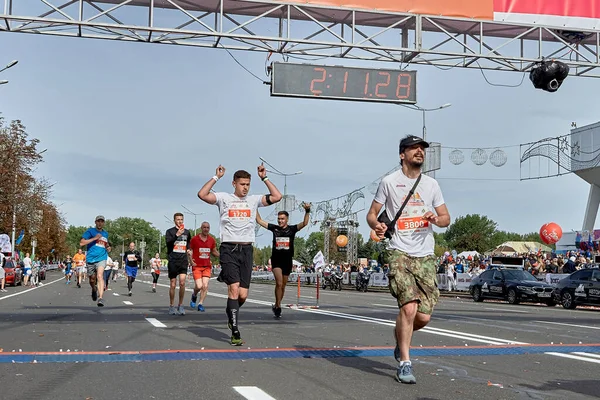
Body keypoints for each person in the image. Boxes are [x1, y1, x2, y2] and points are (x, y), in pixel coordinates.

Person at [366, 135, 450, 385]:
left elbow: (446, 218)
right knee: (408, 308)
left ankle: (400, 339)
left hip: (425, 254)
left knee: (422, 317)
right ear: (402, 154)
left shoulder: (432, 185)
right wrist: (378, 224)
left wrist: (436, 218)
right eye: (414, 148)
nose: (419, 152)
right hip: (398, 250)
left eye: (422, 149)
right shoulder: (389, 182)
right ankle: (405, 362)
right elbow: (371, 214)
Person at [198, 164, 282, 346]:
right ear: (234, 183)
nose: (245, 187)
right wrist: (216, 177)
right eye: (242, 184)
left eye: (248, 184)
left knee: (242, 295)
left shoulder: (253, 200)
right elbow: (202, 194)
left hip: (246, 250)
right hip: (229, 249)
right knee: (234, 289)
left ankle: (231, 312)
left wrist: (264, 178)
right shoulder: (224, 198)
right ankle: (235, 330)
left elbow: (277, 196)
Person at [256, 202, 311, 318]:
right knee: (279, 283)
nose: (280, 221)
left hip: (287, 261)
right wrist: (253, 207)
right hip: (276, 260)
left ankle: (277, 304)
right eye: (279, 219)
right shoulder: (274, 228)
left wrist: (307, 211)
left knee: (283, 285)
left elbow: (305, 223)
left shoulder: (292, 230)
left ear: (287, 219)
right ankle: (278, 306)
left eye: (282, 219)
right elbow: (259, 221)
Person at [80, 215, 111, 307]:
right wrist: (94, 238)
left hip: (102, 258)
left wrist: (108, 247)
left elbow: (105, 243)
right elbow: (81, 243)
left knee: (100, 275)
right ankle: (94, 289)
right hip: (90, 258)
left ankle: (100, 298)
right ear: (95, 222)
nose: (100, 223)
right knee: (92, 279)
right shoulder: (90, 231)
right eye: (98, 221)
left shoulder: (105, 233)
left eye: (102, 221)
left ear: (104, 223)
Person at [165, 213, 193, 315]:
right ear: (174, 220)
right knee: (173, 284)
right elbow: (168, 243)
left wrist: (189, 250)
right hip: (173, 260)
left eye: (181, 219)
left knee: (182, 283)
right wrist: (176, 235)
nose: (180, 221)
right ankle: (171, 305)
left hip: (183, 260)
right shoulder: (170, 231)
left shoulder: (187, 232)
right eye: (178, 219)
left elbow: (188, 244)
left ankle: (180, 305)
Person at [189, 222, 220, 311]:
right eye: (204, 227)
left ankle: (200, 303)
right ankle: (194, 295)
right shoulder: (194, 239)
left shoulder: (211, 240)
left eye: (208, 227)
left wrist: (222, 256)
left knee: (205, 286)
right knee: (199, 286)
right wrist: (190, 259)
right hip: (197, 266)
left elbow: (213, 251)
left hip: (207, 266)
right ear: (201, 228)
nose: (206, 229)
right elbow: (190, 250)